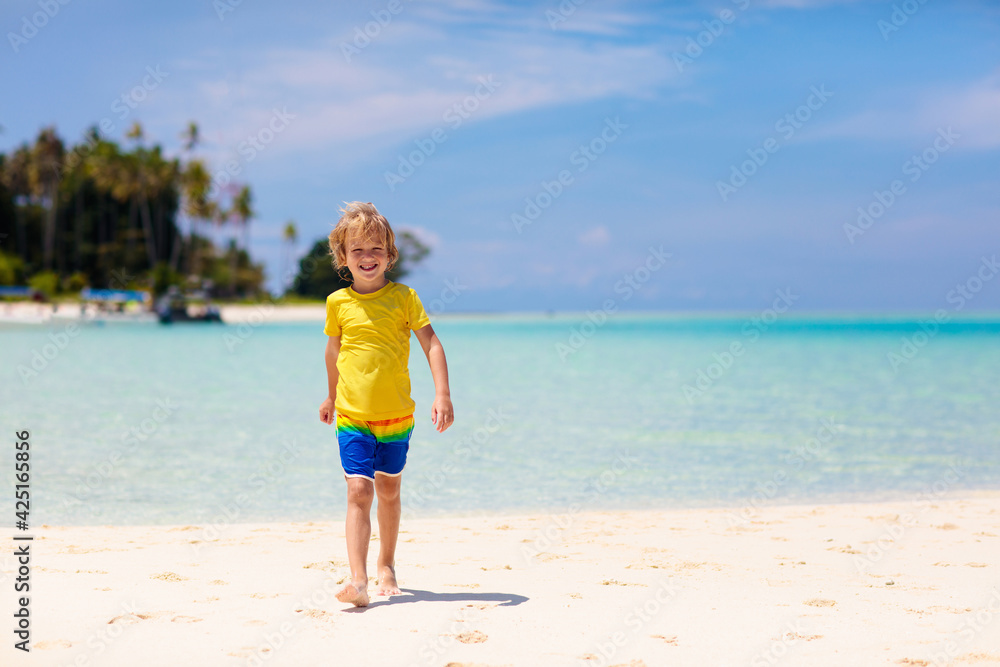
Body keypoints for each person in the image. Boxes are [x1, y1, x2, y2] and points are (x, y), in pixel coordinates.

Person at [318, 201, 454, 607]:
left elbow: (431, 343)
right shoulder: (338, 303)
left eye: (376, 249)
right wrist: (330, 394)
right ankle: (358, 581)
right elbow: (333, 352)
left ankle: (387, 565)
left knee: (389, 491)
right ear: (343, 258)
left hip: (396, 416)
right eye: (357, 250)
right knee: (359, 490)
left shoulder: (404, 298)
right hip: (353, 416)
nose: (367, 257)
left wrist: (442, 393)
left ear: (390, 256)